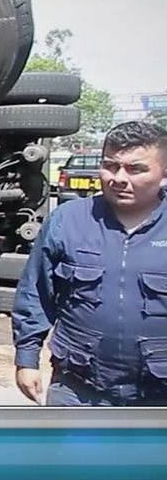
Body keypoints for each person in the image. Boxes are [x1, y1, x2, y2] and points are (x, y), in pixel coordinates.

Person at [12, 120, 167, 406]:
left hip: (158, 396)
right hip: (76, 388)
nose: (119, 178)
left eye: (136, 169)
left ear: (164, 173)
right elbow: (36, 292)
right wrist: (26, 358)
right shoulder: (68, 220)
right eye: (110, 166)